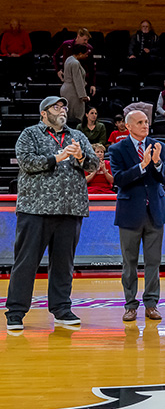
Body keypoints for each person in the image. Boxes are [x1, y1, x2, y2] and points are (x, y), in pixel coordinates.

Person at [4, 97, 99, 331]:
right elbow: (26, 162)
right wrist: (58, 157)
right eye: (56, 107)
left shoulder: (77, 136)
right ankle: (15, 312)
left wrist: (80, 157)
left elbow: (94, 165)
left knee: (64, 264)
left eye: (64, 107)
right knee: (26, 262)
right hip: (35, 209)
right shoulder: (30, 134)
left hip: (70, 209)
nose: (62, 110)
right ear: (43, 113)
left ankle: (61, 308)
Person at [109, 110, 165, 322]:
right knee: (130, 263)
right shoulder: (117, 149)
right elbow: (119, 179)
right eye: (140, 122)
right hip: (130, 213)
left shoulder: (158, 146)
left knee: (154, 262)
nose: (145, 125)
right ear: (128, 126)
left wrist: (157, 163)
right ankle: (130, 305)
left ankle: (151, 304)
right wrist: (142, 166)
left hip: (155, 212)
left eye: (146, 121)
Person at [53, 28, 96, 94]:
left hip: (82, 79)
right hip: (67, 78)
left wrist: (92, 84)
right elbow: (56, 56)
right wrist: (58, 70)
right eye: (84, 40)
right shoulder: (66, 44)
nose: (86, 42)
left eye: (87, 40)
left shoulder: (89, 48)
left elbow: (92, 67)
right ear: (78, 36)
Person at [60, 44, 90, 123]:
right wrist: (83, 96)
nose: (86, 55)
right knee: (76, 115)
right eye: (85, 54)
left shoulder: (69, 59)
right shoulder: (75, 63)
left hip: (66, 89)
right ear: (80, 53)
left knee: (68, 113)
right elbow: (77, 80)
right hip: (73, 91)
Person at [1, 18, 33, 82]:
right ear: (10, 26)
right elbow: (2, 47)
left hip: (21, 55)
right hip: (9, 55)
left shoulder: (24, 34)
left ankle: (26, 77)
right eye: (13, 26)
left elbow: (29, 47)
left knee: (29, 57)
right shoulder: (6, 35)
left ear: (19, 26)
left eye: (16, 26)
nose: (14, 28)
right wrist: (7, 54)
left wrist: (19, 54)